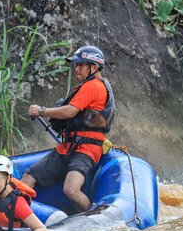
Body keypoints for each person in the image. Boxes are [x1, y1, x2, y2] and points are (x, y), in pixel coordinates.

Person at [25, 45, 116, 212]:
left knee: (71, 189)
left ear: (94, 67)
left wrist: (42, 111)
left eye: (81, 65)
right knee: (28, 177)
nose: (77, 69)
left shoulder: (93, 86)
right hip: (68, 146)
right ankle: (20, 215)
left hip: (87, 147)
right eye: (76, 65)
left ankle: (94, 218)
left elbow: (70, 111)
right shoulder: (85, 86)